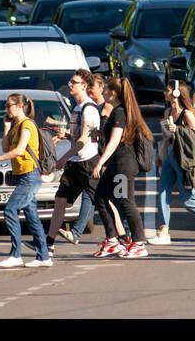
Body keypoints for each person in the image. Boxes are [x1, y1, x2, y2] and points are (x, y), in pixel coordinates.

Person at [148, 81, 195, 245]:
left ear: (176, 93)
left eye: (167, 90)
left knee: (186, 198)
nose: (164, 92)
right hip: (170, 155)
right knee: (162, 192)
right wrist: (161, 155)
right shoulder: (168, 111)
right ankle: (163, 231)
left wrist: (178, 130)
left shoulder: (187, 115)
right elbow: (165, 135)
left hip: (183, 159)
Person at [56, 72, 125, 246]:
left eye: (94, 89)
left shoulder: (105, 108)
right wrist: (69, 135)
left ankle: (123, 236)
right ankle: (118, 237)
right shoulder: (84, 107)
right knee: (100, 199)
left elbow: (102, 136)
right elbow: (93, 134)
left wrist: (99, 158)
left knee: (110, 200)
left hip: (101, 157)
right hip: (91, 157)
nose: (92, 93)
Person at [0, 94, 52, 269]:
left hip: (30, 176)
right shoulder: (16, 125)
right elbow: (5, 146)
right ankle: (44, 256)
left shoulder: (27, 125)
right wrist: (6, 127)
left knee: (10, 210)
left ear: (19, 106)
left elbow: (18, 150)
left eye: (9, 105)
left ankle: (16, 255)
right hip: (23, 176)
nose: (6, 108)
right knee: (32, 216)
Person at [92, 76, 150, 259]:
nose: (103, 92)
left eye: (106, 90)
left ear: (114, 93)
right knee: (100, 197)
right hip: (115, 166)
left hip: (123, 166)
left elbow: (115, 140)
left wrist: (100, 162)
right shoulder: (116, 111)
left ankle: (139, 243)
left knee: (125, 201)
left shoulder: (119, 112)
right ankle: (112, 241)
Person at [47, 70, 102, 251]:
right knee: (60, 200)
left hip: (88, 161)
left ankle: (120, 237)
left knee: (100, 201)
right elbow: (79, 136)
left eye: (74, 82)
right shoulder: (76, 108)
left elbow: (85, 139)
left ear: (84, 86)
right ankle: (48, 243)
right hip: (76, 161)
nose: (70, 84)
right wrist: (66, 135)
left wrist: (64, 157)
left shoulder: (90, 109)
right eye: (70, 81)